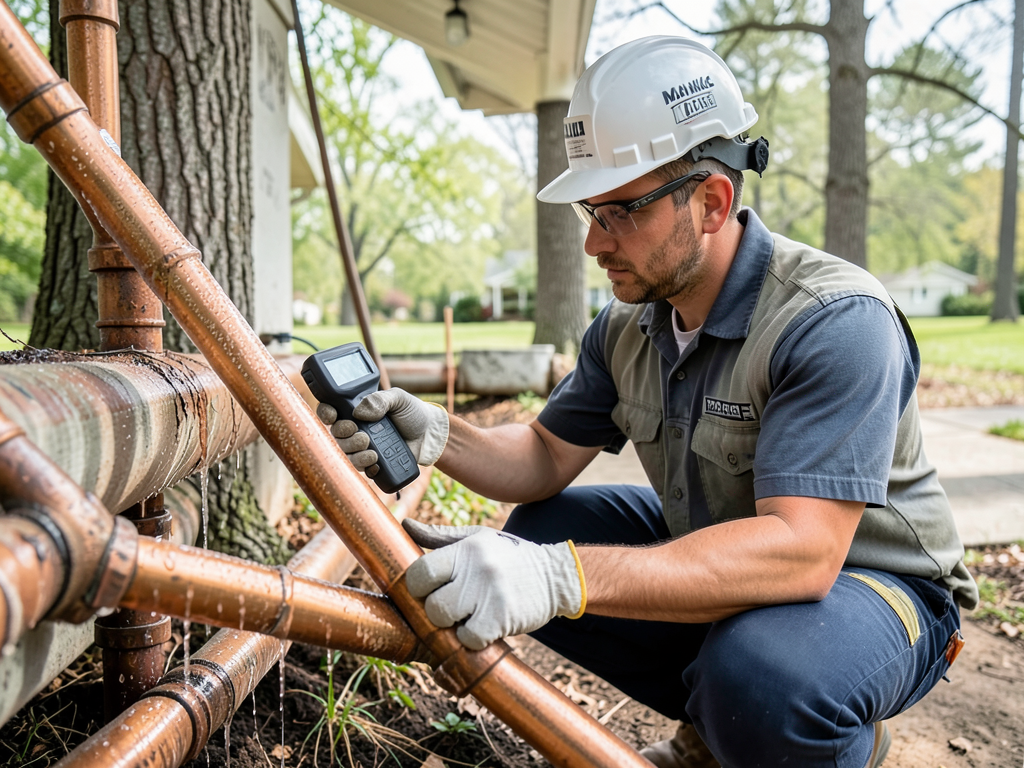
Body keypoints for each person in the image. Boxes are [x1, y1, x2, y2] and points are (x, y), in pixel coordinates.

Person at [316, 36, 978, 768]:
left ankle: (803, 718)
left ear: (712, 201)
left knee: (766, 682)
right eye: (591, 211)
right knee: (542, 527)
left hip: (881, 587)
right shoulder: (629, 325)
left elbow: (803, 551)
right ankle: (722, 727)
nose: (597, 242)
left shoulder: (833, 321)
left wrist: (560, 578)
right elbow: (542, 457)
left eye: (622, 210)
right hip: (746, 558)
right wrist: (440, 435)